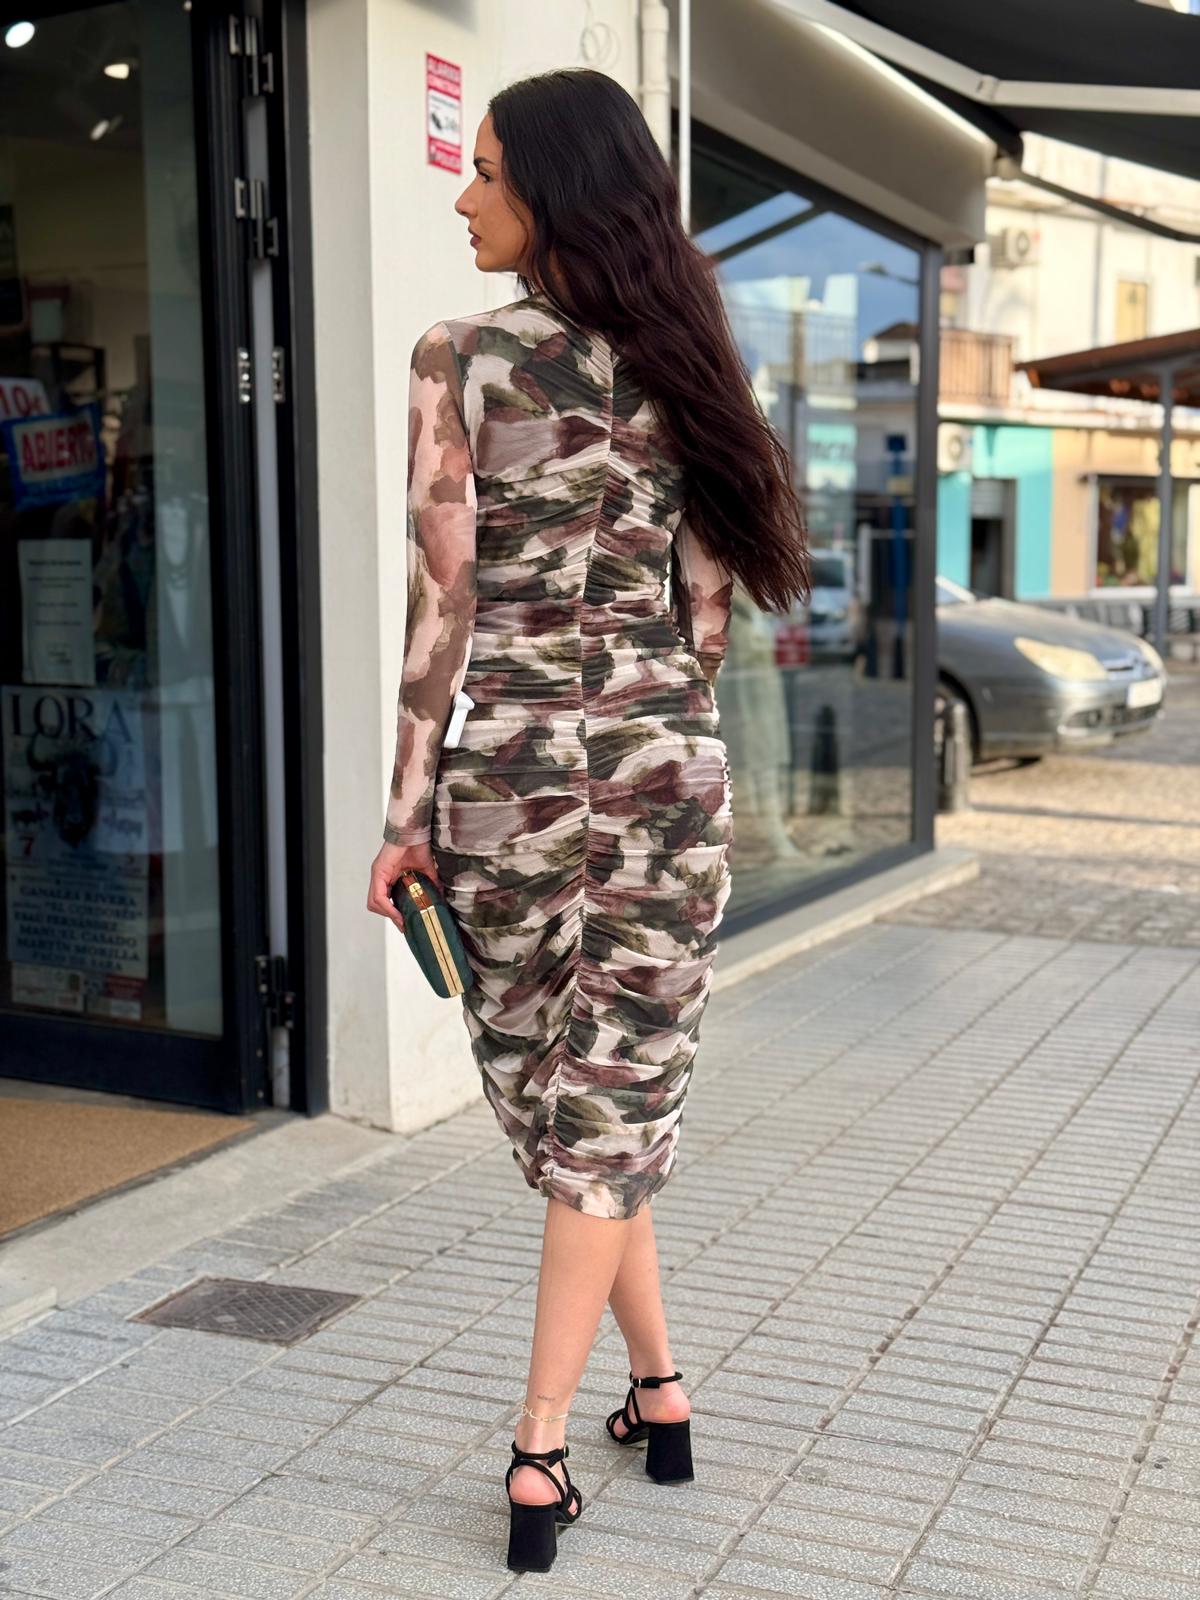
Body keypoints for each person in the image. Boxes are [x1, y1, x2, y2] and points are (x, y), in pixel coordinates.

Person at [367, 68, 808, 1574]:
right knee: (608, 1117)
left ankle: (539, 1447)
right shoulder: (694, 364)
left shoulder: (461, 358)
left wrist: (403, 815)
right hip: (665, 774)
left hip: (509, 790)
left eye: (488, 169)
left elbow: (443, 607)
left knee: (569, 1121)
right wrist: (654, 736)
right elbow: (707, 619)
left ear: (554, 188)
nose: (463, 194)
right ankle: (660, 1393)